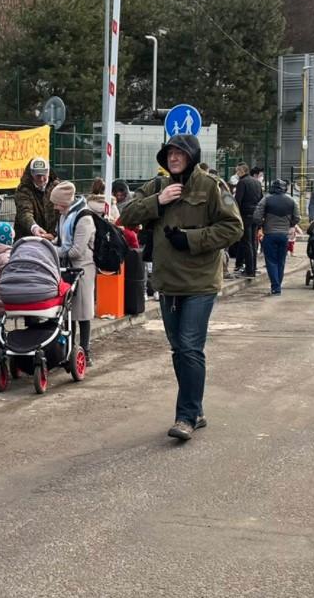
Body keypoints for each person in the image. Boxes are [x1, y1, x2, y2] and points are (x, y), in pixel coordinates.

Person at [118, 135, 242, 441]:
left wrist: (191, 239)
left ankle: (186, 416)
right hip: (167, 282)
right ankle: (196, 411)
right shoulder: (157, 187)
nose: (173, 157)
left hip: (200, 282)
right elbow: (125, 215)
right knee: (179, 349)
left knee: (189, 346)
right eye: (169, 153)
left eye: (179, 153)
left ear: (192, 155)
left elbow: (233, 227)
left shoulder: (212, 186)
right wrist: (156, 202)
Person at [50, 181, 97, 363]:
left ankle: (85, 350)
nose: (55, 207)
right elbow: (60, 239)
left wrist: (53, 250)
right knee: (69, 311)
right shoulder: (65, 215)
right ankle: (69, 348)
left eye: (57, 203)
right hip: (67, 266)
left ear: (65, 202)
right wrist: (49, 243)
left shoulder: (84, 218)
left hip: (83, 268)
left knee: (82, 312)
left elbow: (76, 250)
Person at [253, 178, 299, 295]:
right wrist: (291, 224)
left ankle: (275, 286)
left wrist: (262, 224)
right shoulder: (291, 201)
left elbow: (257, 216)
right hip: (284, 235)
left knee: (271, 261)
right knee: (281, 261)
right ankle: (278, 284)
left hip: (269, 234)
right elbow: (297, 217)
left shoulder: (266, 199)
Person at [232, 163, 264, 277]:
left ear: (242, 171)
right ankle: (253, 267)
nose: (237, 174)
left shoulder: (242, 182)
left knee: (247, 242)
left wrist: (235, 216)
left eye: (237, 171)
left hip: (245, 215)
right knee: (254, 242)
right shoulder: (257, 182)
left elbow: (238, 201)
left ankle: (249, 270)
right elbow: (261, 199)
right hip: (255, 215)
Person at [15, 157, 58, 240]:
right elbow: (25, 212)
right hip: (28, 237)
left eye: (44, 175)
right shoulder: (23, 189)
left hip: (53, 237)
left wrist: (55, 234)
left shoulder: (57, 187)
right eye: (38, 176)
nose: (41, 179)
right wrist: (34, 228)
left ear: (48, 173)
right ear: (31, 174)